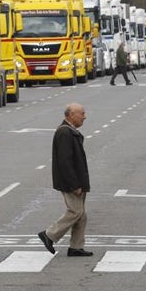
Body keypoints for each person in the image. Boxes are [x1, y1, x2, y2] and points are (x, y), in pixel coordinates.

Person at [37, 103, 92, 257]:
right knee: (75, 211)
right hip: (71, 182)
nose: (85, 117)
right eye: (82, 113)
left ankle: (76, 247)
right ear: (71, 115)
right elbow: (65, 161)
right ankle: (49, 235)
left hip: (77, 180)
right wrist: (74, 184)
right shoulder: (64, 132)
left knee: (81, 215)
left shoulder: (71, 131)